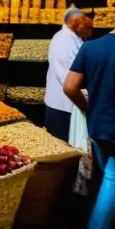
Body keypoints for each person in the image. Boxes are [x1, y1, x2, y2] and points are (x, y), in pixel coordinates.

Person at [63, 4, 115, 229]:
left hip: (98, 126)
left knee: (108, 182)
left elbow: (70, 86)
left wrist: (87, 107)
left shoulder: (90, 47)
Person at [45, 8, 85, 141]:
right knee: (63, 149)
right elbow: (69, 78)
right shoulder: (65, 40)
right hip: (62, 107)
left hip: (65, 104)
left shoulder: (73, 37)